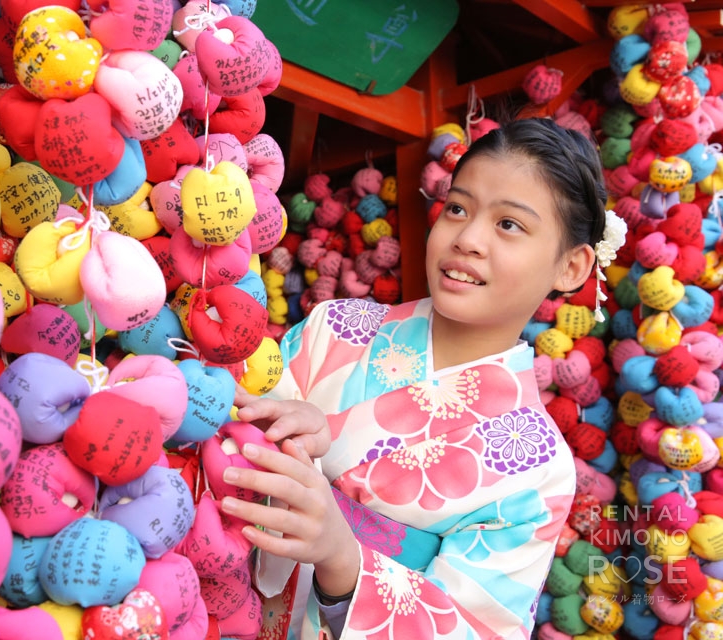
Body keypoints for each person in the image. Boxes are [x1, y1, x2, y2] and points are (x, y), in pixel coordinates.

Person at [221, 117, 620, 639]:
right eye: (458, 208)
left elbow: (476, 627)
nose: (469, 238)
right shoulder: (334, 328)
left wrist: (343, 556)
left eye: (509, 225)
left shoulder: (538, 468)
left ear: (571, 268)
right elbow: (216, 439)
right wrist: (271, 434)